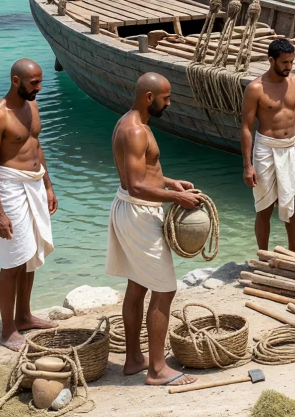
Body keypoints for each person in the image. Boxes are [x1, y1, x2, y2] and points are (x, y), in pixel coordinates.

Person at [107, 72, 203, 386]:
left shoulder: (129, 122)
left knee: (138, 286)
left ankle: (134, 359)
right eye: (166, 97)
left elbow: (144, 173)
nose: (169, 103)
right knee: (165, 288)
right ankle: (158, 370)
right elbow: (136, 185)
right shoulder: (136, 131)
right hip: (137, 213)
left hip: (130, 208)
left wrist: (169, 181)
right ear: (149, 97)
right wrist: (177, 196)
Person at [0, 59, 58, 351]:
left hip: (35, 183)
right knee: (11, 261)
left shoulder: (32, 105)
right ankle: (7, 329)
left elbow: (36, 146)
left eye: (40, 81)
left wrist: (49, 186)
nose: (39, 87)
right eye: (34, 83)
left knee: (30, 253)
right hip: (11, 187)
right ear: (16, 81)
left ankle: (24, 316)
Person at [241, 39, 295, 252]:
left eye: (292, 62)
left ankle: (294, 252)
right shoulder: (255, 89)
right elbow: (246, 127)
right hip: (266, 148)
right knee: (264, 206)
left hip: (292, 147)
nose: (289, 67)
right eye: (284, 62)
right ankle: (263, 254)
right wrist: (247, 165)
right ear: (271, 60)